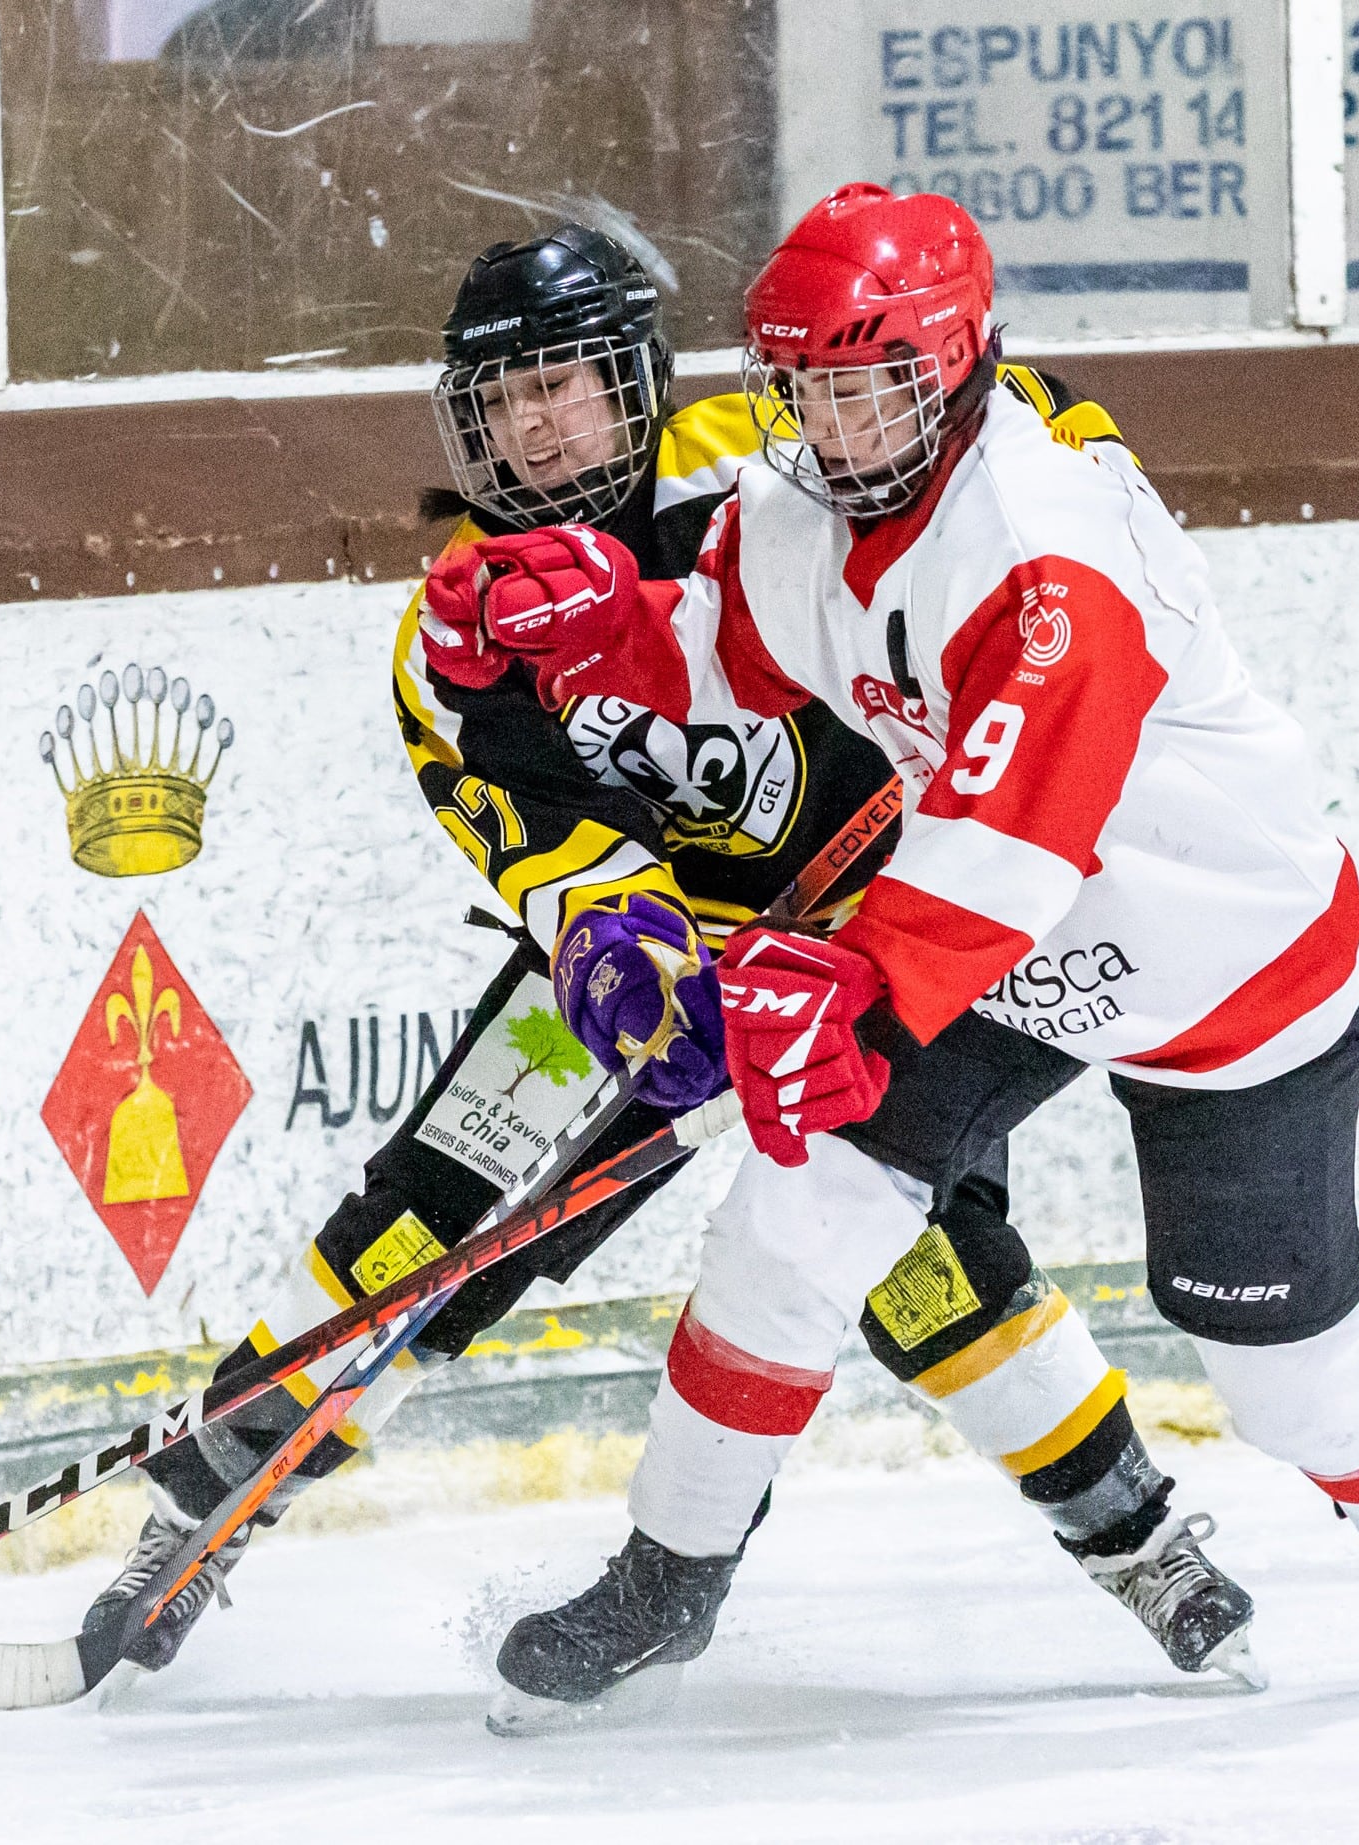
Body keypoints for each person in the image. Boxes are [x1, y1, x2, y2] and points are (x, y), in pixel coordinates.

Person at [423, 186, 1359, 1722]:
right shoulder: (804, 510)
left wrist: (856, 984)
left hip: (1221, 968)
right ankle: (671, 1576)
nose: (842, 427)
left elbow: (1018, 834)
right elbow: (725, 645)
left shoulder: (1048, 550)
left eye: (875, 387)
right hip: (996, 956)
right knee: (794, 1219)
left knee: (1284, 1372)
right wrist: (592, 634)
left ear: (957, 362)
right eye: (808, 389)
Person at [79, 225, 1255, 1692]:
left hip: (857, 945)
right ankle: (199, 1521)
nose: (538, 426)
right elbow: (544, 848)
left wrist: (1047, 435)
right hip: (648, 972)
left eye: (566, 384)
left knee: (923, 1260)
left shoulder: (770, 463)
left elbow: (992, 440)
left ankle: (1144, 1542)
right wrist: (632, 968)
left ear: (635, 379)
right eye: (504, 403)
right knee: (421, 1233)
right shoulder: (461, 618)